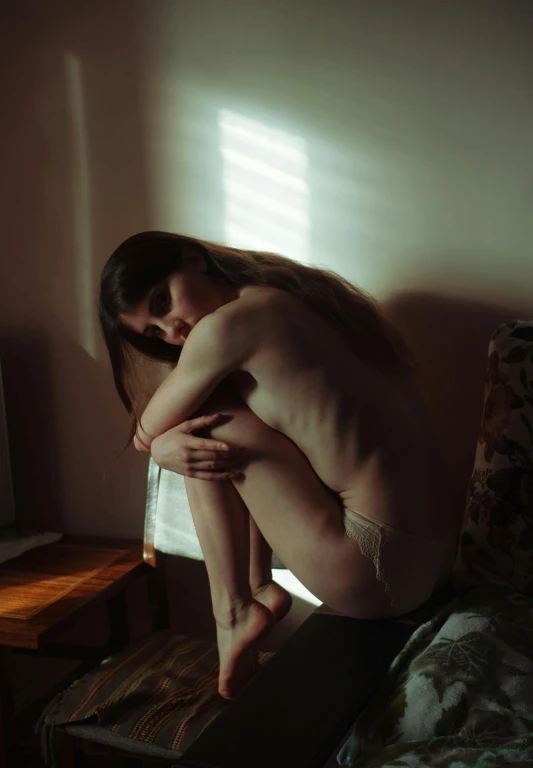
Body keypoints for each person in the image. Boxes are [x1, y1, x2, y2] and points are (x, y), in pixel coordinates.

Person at [98, 231, 457, 699]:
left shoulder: (225, 329)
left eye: (163, 303)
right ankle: (255, 586)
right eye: (153, 333)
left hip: (377, 571)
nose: (173, 332)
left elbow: (147, 434)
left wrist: (165, 447)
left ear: (193, 260)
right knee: (212, 409)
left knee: (204, 425)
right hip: (437, 555)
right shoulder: (290, 295)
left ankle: (233, 612)